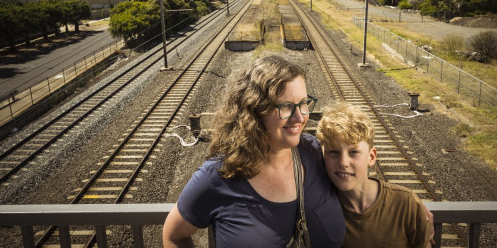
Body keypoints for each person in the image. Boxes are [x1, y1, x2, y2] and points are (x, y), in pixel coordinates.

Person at [162, 55, 345, 247]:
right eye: (286, 107)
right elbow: (174, 235)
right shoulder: (217, 176)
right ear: (256, 111)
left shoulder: (314, 152)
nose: (299, 117)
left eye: (303, 103)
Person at [317, 101, 432, 248]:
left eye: (353, 152)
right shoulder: (318, 207)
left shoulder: (406, 204)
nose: (343, 162)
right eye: (333, 152)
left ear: (371, 157)